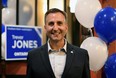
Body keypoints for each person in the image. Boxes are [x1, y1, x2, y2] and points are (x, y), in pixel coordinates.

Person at [26, 8, 91, 78]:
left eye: (59, 23)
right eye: (51, 24)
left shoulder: (81, 55)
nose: (55, 28)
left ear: (66, 28)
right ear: (45, 28)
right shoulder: (33, 56)